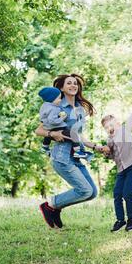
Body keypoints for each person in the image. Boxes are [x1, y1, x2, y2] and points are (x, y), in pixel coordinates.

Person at [35, 74, 105, 229]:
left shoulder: (80, 109)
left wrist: (95, 147)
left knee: (92, 192)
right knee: (85, 190)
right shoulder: (56, 106)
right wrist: (53, 134)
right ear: (61, 88)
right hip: (62, 157)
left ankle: (55, 208)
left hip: (76, 156)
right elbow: (39, 130)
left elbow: (78, 135)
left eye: (75, 83)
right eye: (69, 83)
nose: (73, 85)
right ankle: (50, 205)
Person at [98, 97, 132, 232]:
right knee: (117, 194)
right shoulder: (109, 140)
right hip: (121, 170)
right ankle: (120, 220)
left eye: (111, 125)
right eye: (106, 127)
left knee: (127, 193)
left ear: (117, 123)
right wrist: (106, 153)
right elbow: (113, 156)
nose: (109, 128)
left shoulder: (125, 130)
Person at [38, 86, 93, 161]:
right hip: (57, 127)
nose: (60, 100)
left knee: (48, 135)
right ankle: (78, 152)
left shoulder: (44, 106)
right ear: (52, 99)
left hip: (49, 127)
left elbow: (46, 119)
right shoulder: (54, 108)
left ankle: (45, 146)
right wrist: (62, 118)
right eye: (59, 98)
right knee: (73, 134)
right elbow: (52, 120)